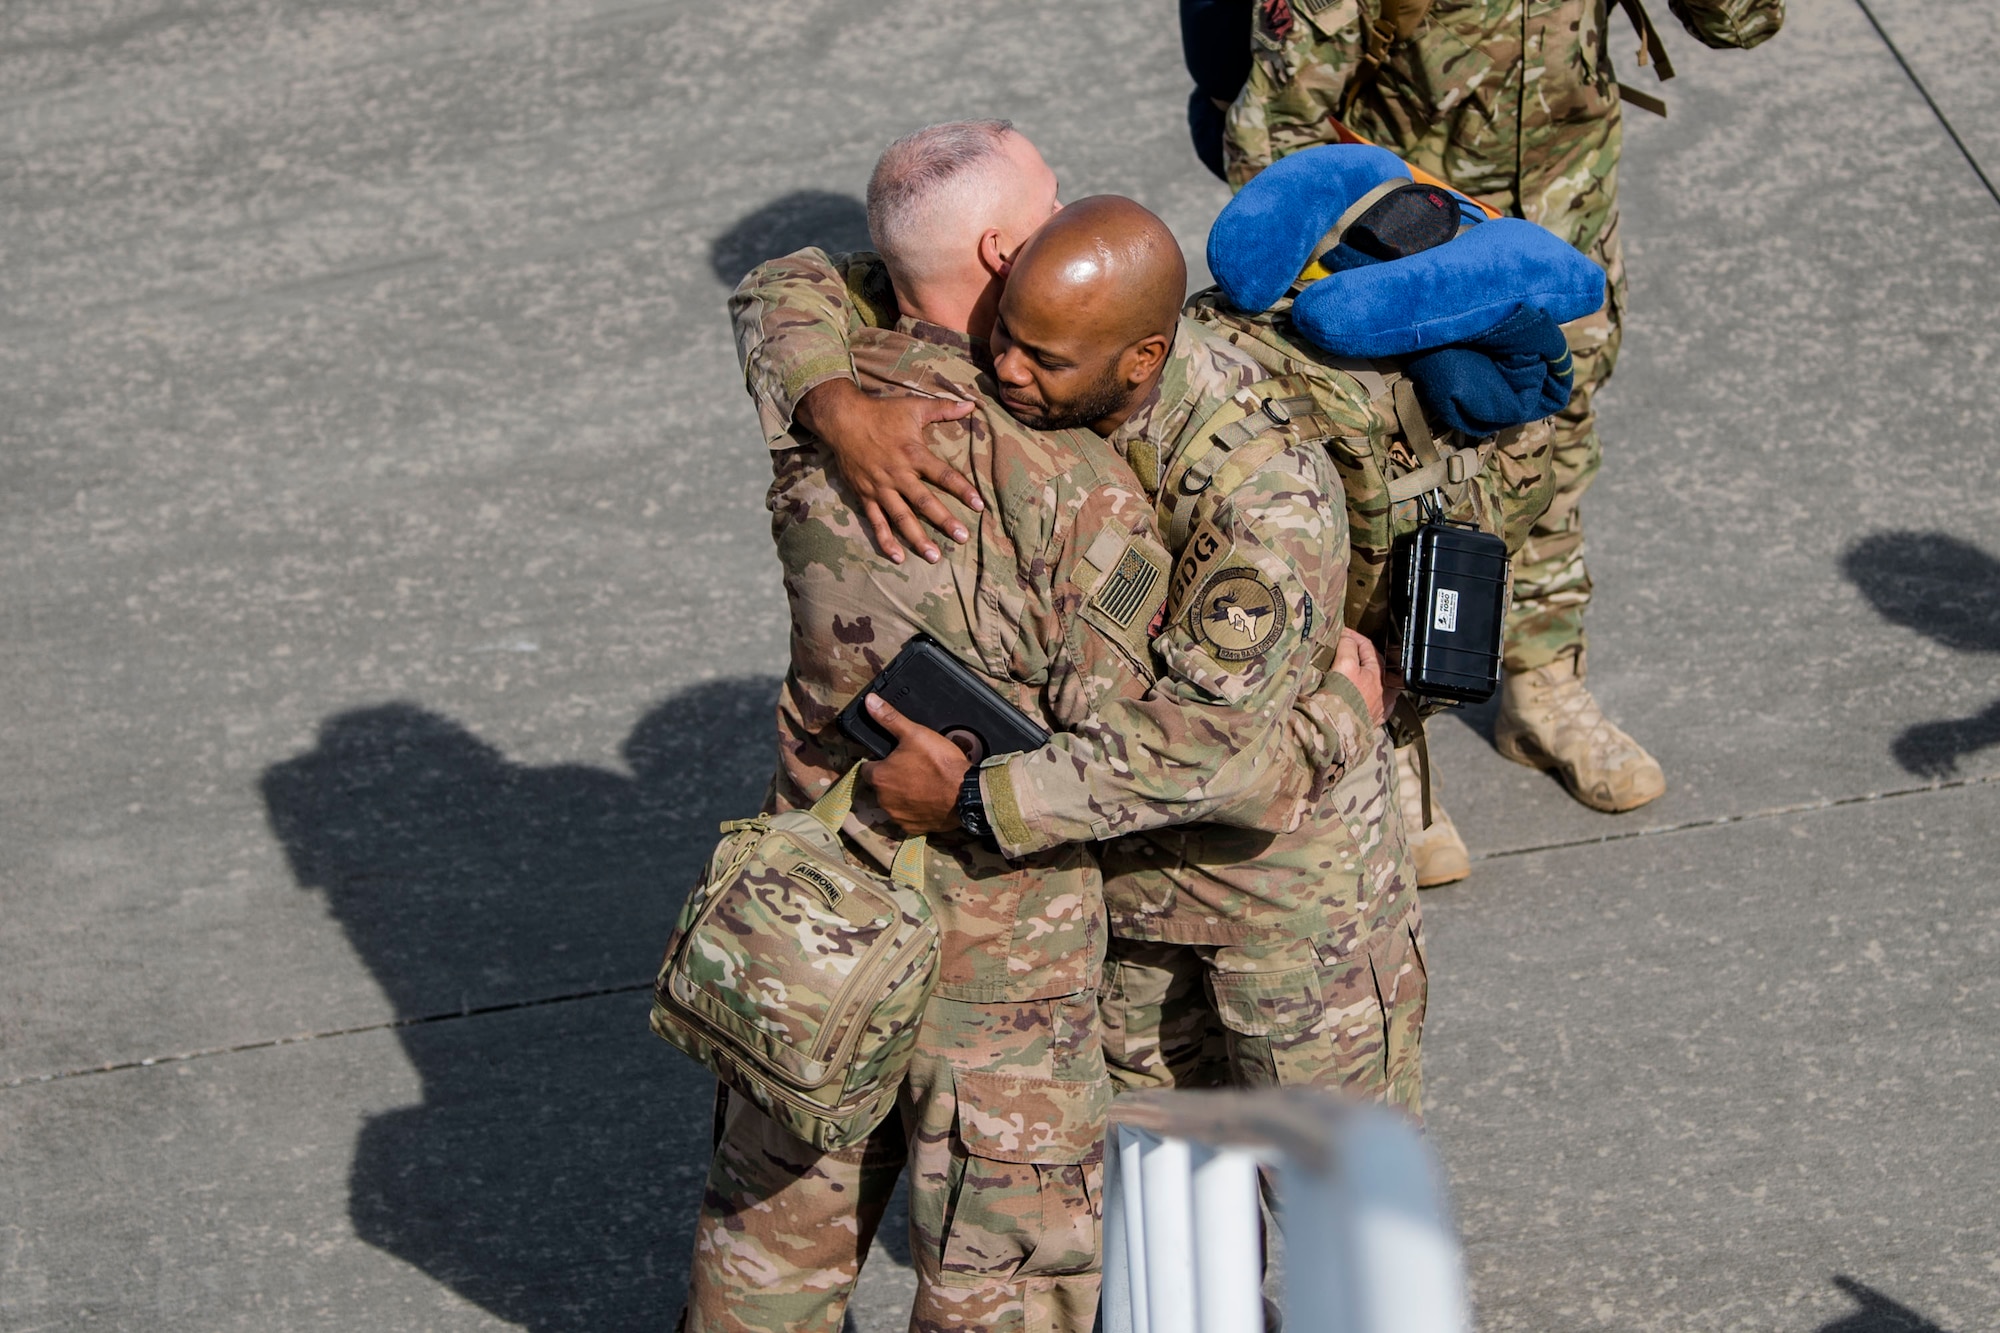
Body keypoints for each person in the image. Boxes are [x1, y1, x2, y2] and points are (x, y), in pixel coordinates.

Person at [691, 121, 1387, 1333]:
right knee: (1002, 1263)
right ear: (1006, 253)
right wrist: (1335, 711)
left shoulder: (831, 399)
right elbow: (1160, 741)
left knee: (774, 1204)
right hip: (1004, 943)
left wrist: (835, 403)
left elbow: (777, 286)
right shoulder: (1077, 485)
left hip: (815, 885)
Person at [734, 183, 1427, 1115]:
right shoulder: (1062, 312)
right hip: (1123, 902)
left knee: (1339, 1196)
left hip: (1285, 912)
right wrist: (838, 409)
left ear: (1142, 357)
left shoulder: (1261, 498)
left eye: (1041, 358)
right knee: (1166, 1209)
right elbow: (787, 285)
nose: (1005, 370)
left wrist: (976, 796)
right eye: (1004, 334)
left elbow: (1198, 751)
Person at [1201, 0, 1784, 880]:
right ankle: (1385, 731)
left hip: (1563, 225)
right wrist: (1356, 304)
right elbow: (1275, 140)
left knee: (1557, 457)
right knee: (1399, 505)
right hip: (1411, 273)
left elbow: (1743, 23)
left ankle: (1544, 683)